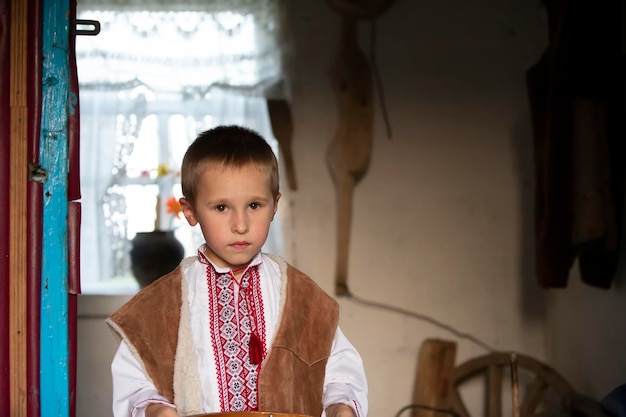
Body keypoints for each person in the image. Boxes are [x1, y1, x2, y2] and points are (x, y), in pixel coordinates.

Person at [106, 125, 368, 417]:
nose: (240, 225)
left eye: (254, 205)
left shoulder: (302, 295)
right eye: (221, 208)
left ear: (275, 206)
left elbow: (339, 370)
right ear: (190, 211)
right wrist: (153, 409)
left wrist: (340, 405)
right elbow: (136, 382)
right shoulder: (160, 305)